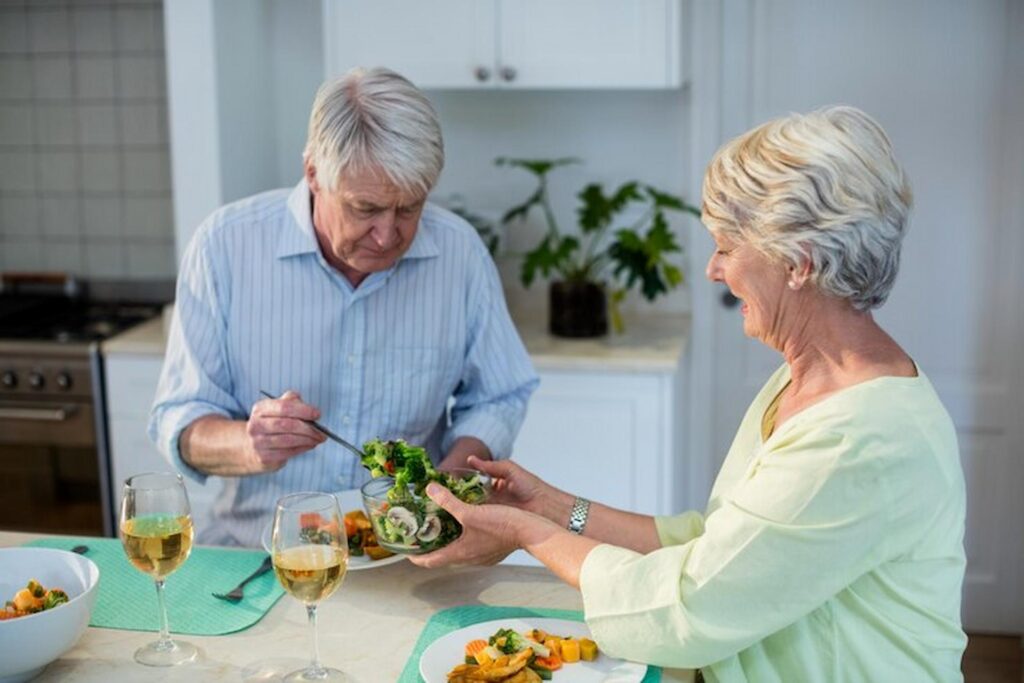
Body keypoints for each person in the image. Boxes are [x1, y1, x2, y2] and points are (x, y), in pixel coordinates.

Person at [410, 106, 967, 681]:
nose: (712, 269)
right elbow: (716, 545)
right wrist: (549, 506)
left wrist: (529, 534)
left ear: (798, 262)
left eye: (726, 246)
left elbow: (692, 606)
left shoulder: (861, 439)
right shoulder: (805, 380)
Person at [148, 67, 538, 548]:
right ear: (313, 174)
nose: (388, 234)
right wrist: (251, 444)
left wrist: (451, 478)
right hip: (256, 559)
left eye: (410, 208)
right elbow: (180, 420)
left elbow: (500, 394)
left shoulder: (459, 254)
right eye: (365, 209)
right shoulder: (224, 247)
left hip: (408, 555)